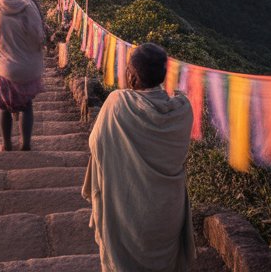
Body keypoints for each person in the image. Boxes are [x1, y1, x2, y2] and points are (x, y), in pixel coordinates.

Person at [82, 43, 196, 272]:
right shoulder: (183, 110)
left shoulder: (117, 103)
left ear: (132, 77)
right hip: (167, 210)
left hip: (126, 209)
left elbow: (96, 143)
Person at [0, 0, 45, 151]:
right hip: (29, 71)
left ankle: (7, 144)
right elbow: (40, 39)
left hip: (5, 72)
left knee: (4, 108)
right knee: (27, 106)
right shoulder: (28, 14)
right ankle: (26, 144)